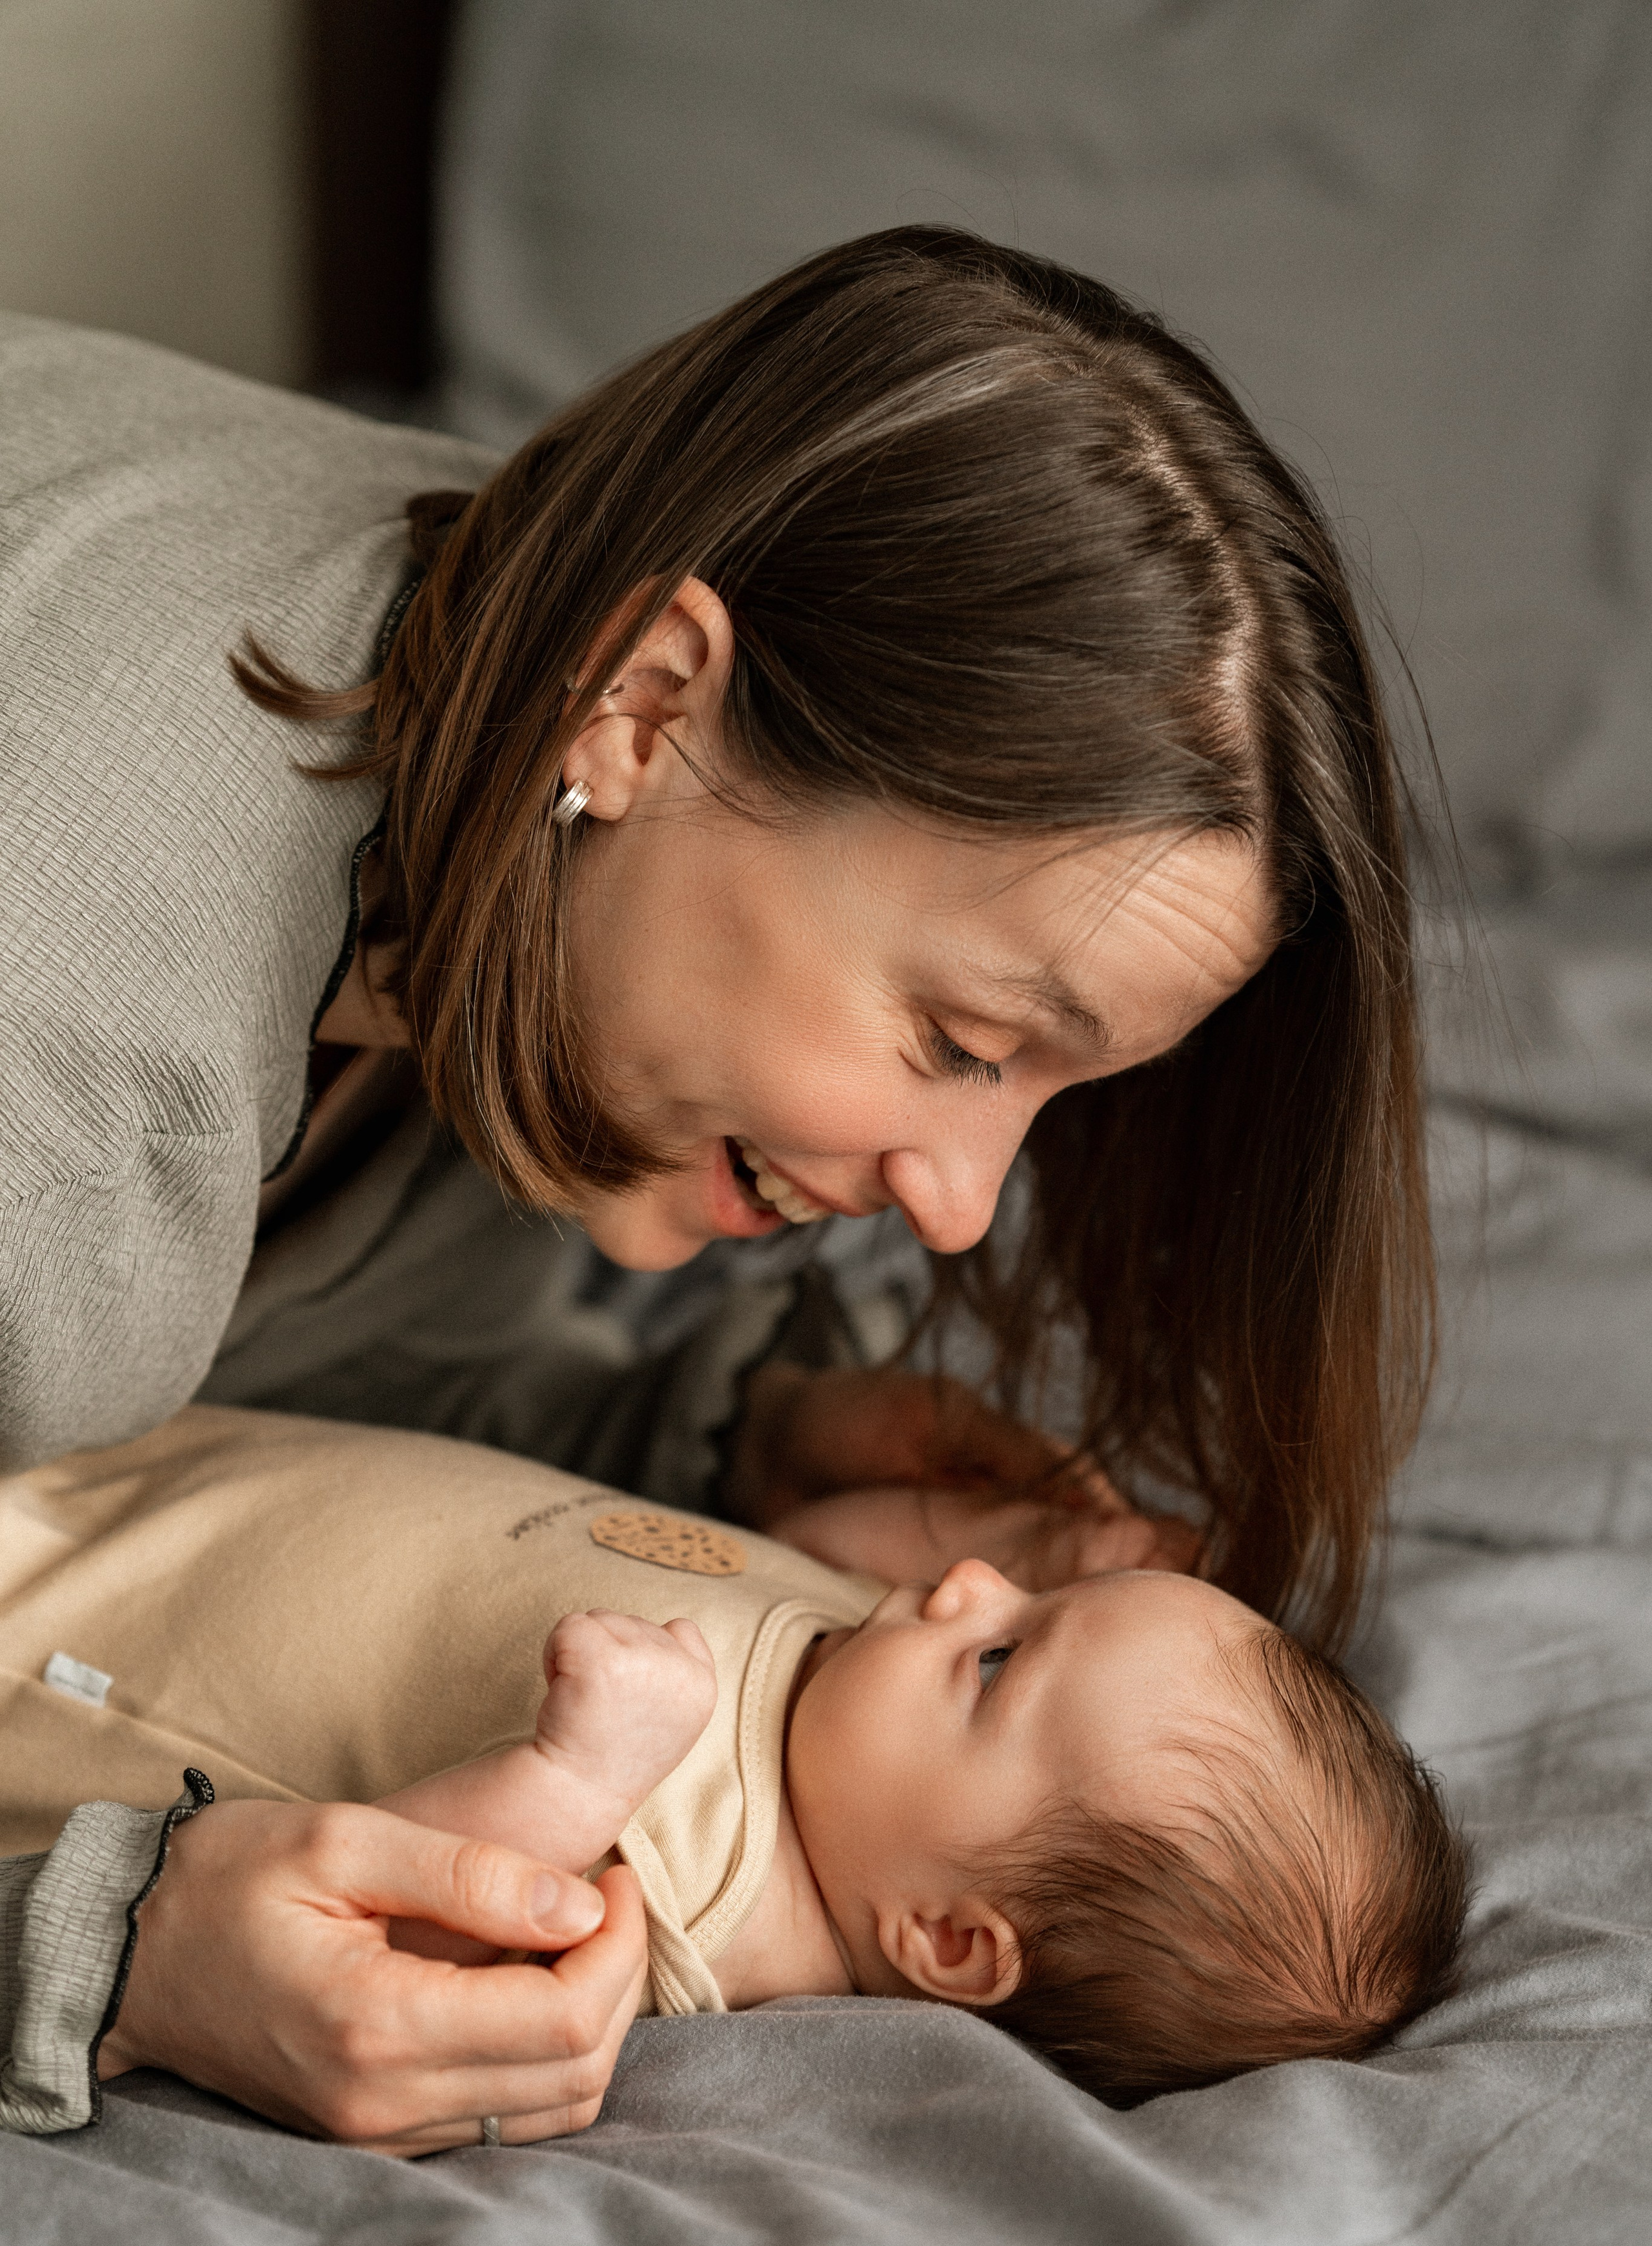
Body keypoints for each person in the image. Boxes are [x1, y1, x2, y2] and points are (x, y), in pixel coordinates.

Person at [0, 228, 1434, 2149]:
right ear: (650, 704)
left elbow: (235, 1366)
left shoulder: (500, 706)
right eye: (962, 1038)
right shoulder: (58, 1108)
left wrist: (713, 1438)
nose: (956, 1205)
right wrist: (108, 1947)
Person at [0, 1407, 1466, 2138]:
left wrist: (571, 1779)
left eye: (1002, 1656)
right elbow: (797, 1546)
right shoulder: (869, 1705)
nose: (966, 1586)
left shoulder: (719, 1893)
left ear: (947, 1940)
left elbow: (415, 1930)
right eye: (1032, 1591)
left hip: (71, 1632)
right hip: (170, 1458)